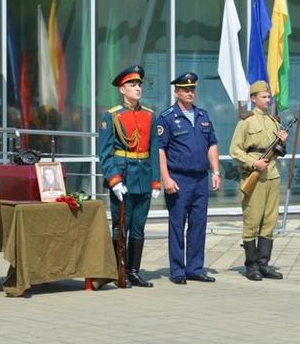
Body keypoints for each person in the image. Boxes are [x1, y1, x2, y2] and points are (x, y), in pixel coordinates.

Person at [98, 65, 161, 288]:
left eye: (139, 84)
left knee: (138, 226)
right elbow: (104, 153)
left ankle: (134, 271)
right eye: (132, 84)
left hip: (143, 177)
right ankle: (119, 269)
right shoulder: (112, 116)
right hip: (123, 177)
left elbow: (154, 150)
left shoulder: (150, 115)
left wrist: (156, 180)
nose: (137, 88)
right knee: (120, 225)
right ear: (122, 89)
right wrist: (113, 180)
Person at [157, 72, 220, 285]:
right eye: (185, 89)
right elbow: (160, 150)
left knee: (198, 224)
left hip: (200, 179)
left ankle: (195, 268)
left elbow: (212, 143)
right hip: (178, 179)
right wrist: (165, 178)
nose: (190, 92)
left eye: (192, 89)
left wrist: (216, 171)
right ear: (176, 92)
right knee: (177, 225)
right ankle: (177, 270)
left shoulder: (203, 115)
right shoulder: (167, 117)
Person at [229, 80, 288, 281]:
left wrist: (282, 142)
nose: (267, 99)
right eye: (263, 96)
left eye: (268, 96)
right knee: (252, 220)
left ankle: (263, 263)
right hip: (253, 175)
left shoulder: (273, 121)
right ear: (253, 98)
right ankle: (251, 264)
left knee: (270, 221)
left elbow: (279, 152)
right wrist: (254, 164)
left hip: (272, 175)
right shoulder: (245, 121)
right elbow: (235, 150)